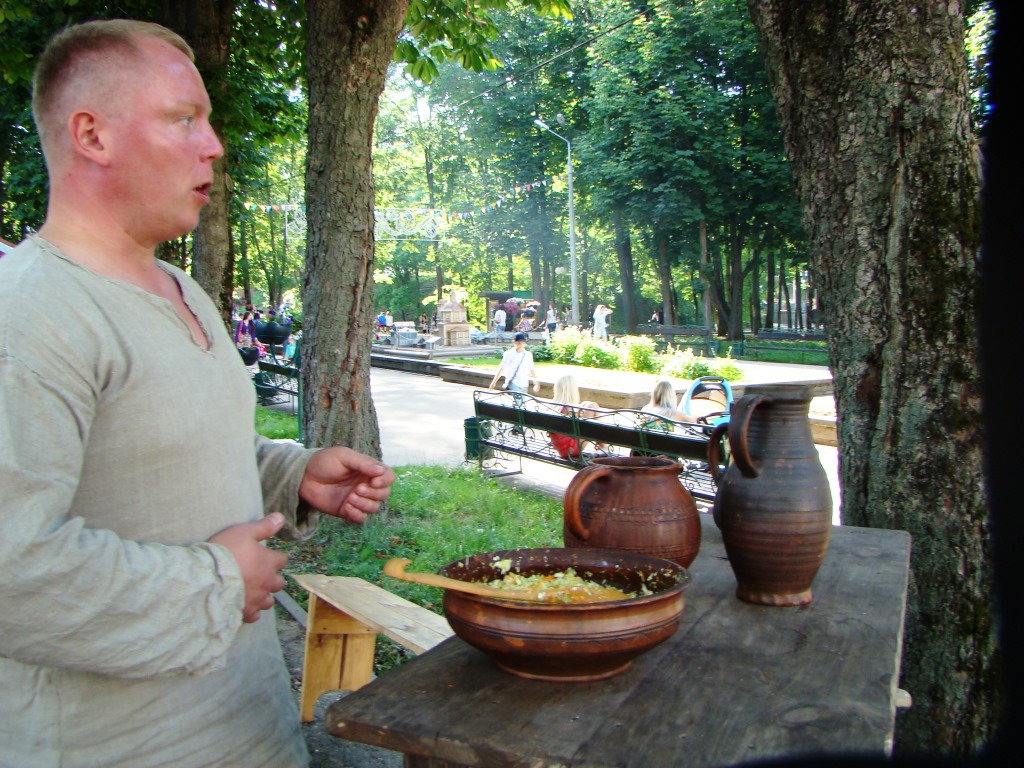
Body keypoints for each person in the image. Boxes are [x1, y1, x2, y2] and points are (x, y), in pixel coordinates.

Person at [0, 20, 395, 768]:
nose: (213, 144)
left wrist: (292, 474)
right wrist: (213, 583)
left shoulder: (181, 288)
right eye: (184, 119)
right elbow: (10, 566)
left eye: (209, 120)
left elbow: (174, 447)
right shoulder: (27, 312)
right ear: (92, 134)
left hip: (251, 726)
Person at [547, 374, 609, 458]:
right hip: (571, 449)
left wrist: (582, 409)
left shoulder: (554, 408)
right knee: (592, 406)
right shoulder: (569, 408)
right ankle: (603, 447)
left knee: (587, 405)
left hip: (562, 449)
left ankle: (602, 447)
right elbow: (577, 429)